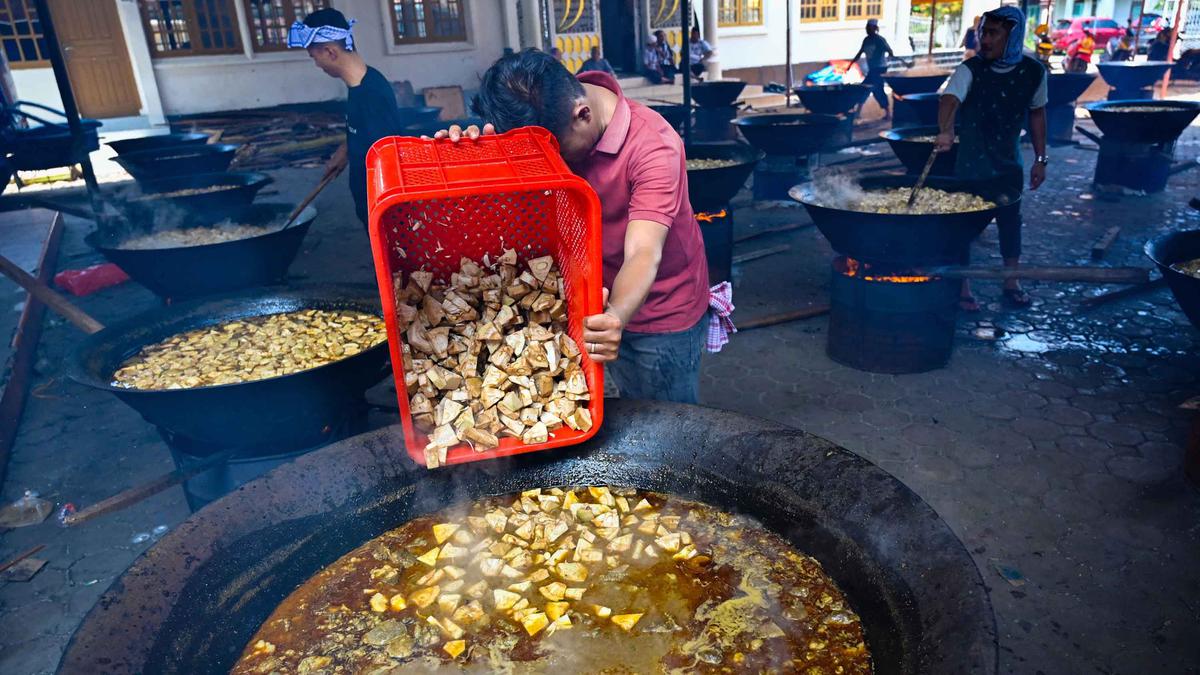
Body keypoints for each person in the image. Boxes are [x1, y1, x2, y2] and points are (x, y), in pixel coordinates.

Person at [435, 50, 719, 403]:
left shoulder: (654, 146)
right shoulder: (553, 115)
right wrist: (470, 152)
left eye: (558, 154)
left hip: (658, 311)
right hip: (592, 297)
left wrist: (616, 315)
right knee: (627, 405)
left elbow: (644, 251)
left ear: (583, 115)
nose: (553, 164)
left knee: (666, 419)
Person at [935, 6, 1048, 310]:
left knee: (1011, 222)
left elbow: (1037, 115)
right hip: (972, 163)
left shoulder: (1034, 72)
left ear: (1012, 37)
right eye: (984, 31)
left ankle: (1011, 281)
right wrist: (945, 130)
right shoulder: (970, 69)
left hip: (1008, 164)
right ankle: (963, 287)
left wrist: (1041, 159)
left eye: (993, 33)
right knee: (963, 227)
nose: (985, 39)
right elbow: (949, 100)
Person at [289, 8, 404, 228]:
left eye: (315, 57)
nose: (317, 65)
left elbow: (388, 159)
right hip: (369, 207)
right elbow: (361, 128)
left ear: (331, 52)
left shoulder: (372, 95)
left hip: (384, 214)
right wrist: (346, 150)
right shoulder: (359, 84)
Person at [850, 19, 896, 120]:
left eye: (869, 27)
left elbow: (889, 50)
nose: (867, 29)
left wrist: (890, 53)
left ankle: (887, 113)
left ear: (875, 28)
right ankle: (859, 113)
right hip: (873, 69)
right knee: (868, 89)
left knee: (873, 89)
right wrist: (850, 64)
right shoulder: (866, 40)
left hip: (880, 69)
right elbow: (860, 53)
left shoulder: (880, 40)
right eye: (867, 27)